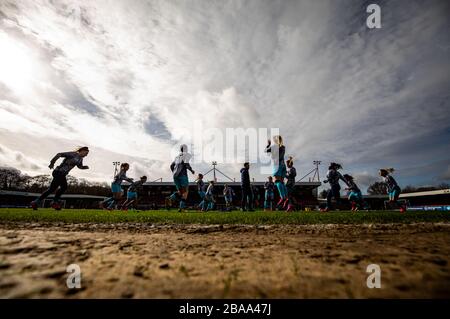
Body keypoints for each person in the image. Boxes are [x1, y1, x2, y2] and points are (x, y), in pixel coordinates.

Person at [167, 144, 195, 212]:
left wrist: (173, 172)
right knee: (185, 191)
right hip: (182, 175)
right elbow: (186, 164)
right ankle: (181, 208)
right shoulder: (186, 155)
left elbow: (171, 165)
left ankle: (170, 198)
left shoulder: (176, 157)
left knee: (181, 192)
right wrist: (191, 170)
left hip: (175, 176)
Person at [265, 135, 287, 209]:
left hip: (277, 165)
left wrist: (268, 144)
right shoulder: (283, 147)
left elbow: (266, 150)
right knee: (282, 182)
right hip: (283, 165)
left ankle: (282, 197)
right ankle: (286, 197)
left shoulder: (274, 147)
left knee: (277, 182)